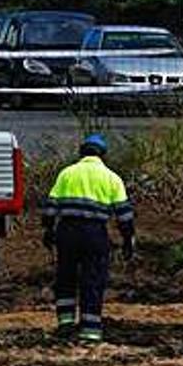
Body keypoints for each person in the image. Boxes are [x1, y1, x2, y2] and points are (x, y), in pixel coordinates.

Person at [42, 133, 135, 343]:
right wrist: (128, 239)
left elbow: (50, 207)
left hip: (67, 231)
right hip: (95, 233)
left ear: (82, 152)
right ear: (103, 155)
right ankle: (90, 331)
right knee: (93, 279)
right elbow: (124, 215)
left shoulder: (67, 174)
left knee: (65, 277)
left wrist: (48, 231)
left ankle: (65, 324)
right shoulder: (112, 178)